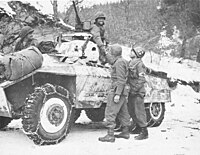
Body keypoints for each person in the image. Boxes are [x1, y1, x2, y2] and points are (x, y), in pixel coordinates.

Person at [98, 44, 130, 143]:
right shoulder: (122, 61)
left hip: (117, 90)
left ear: (114, 53)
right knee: (123, 112)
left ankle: (110, 135)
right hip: (122, 91)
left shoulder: (119, 63)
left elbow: (121, 80)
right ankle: (125, 132)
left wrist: (117, 94)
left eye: (110, 51)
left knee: (110, 112)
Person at [127, 46, 148, 140]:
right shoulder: (130, 63)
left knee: (139, 111)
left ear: (137, 54)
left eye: (132, 51)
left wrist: (135, 89)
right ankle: (138, 127)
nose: (130, 52)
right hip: (131, 91)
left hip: (138, 91)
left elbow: (142, 78)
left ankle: (144, 132)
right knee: (132, 111)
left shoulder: (140, 65)